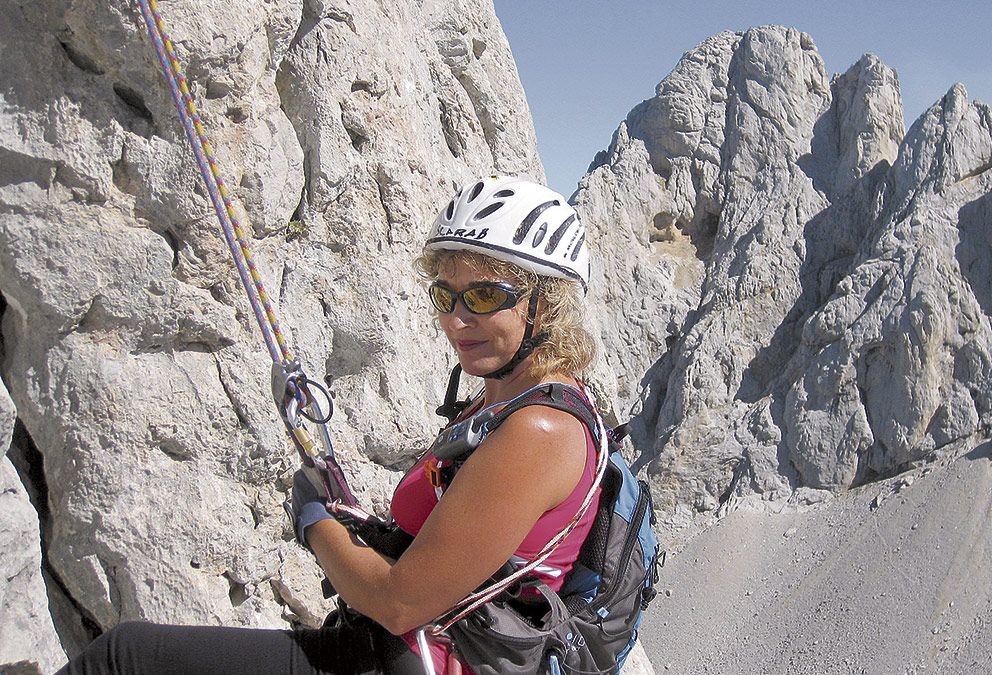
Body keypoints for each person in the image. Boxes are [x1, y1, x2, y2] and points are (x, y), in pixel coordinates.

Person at [59, 174, 602, 674]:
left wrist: (315, 522)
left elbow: (399, 602)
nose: (456, 320)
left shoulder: (539, 430)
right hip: (406, 651)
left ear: (545, 302)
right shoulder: (505, 400)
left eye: (484, 296)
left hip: (411, 655)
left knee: (122, 656)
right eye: (445, 294)